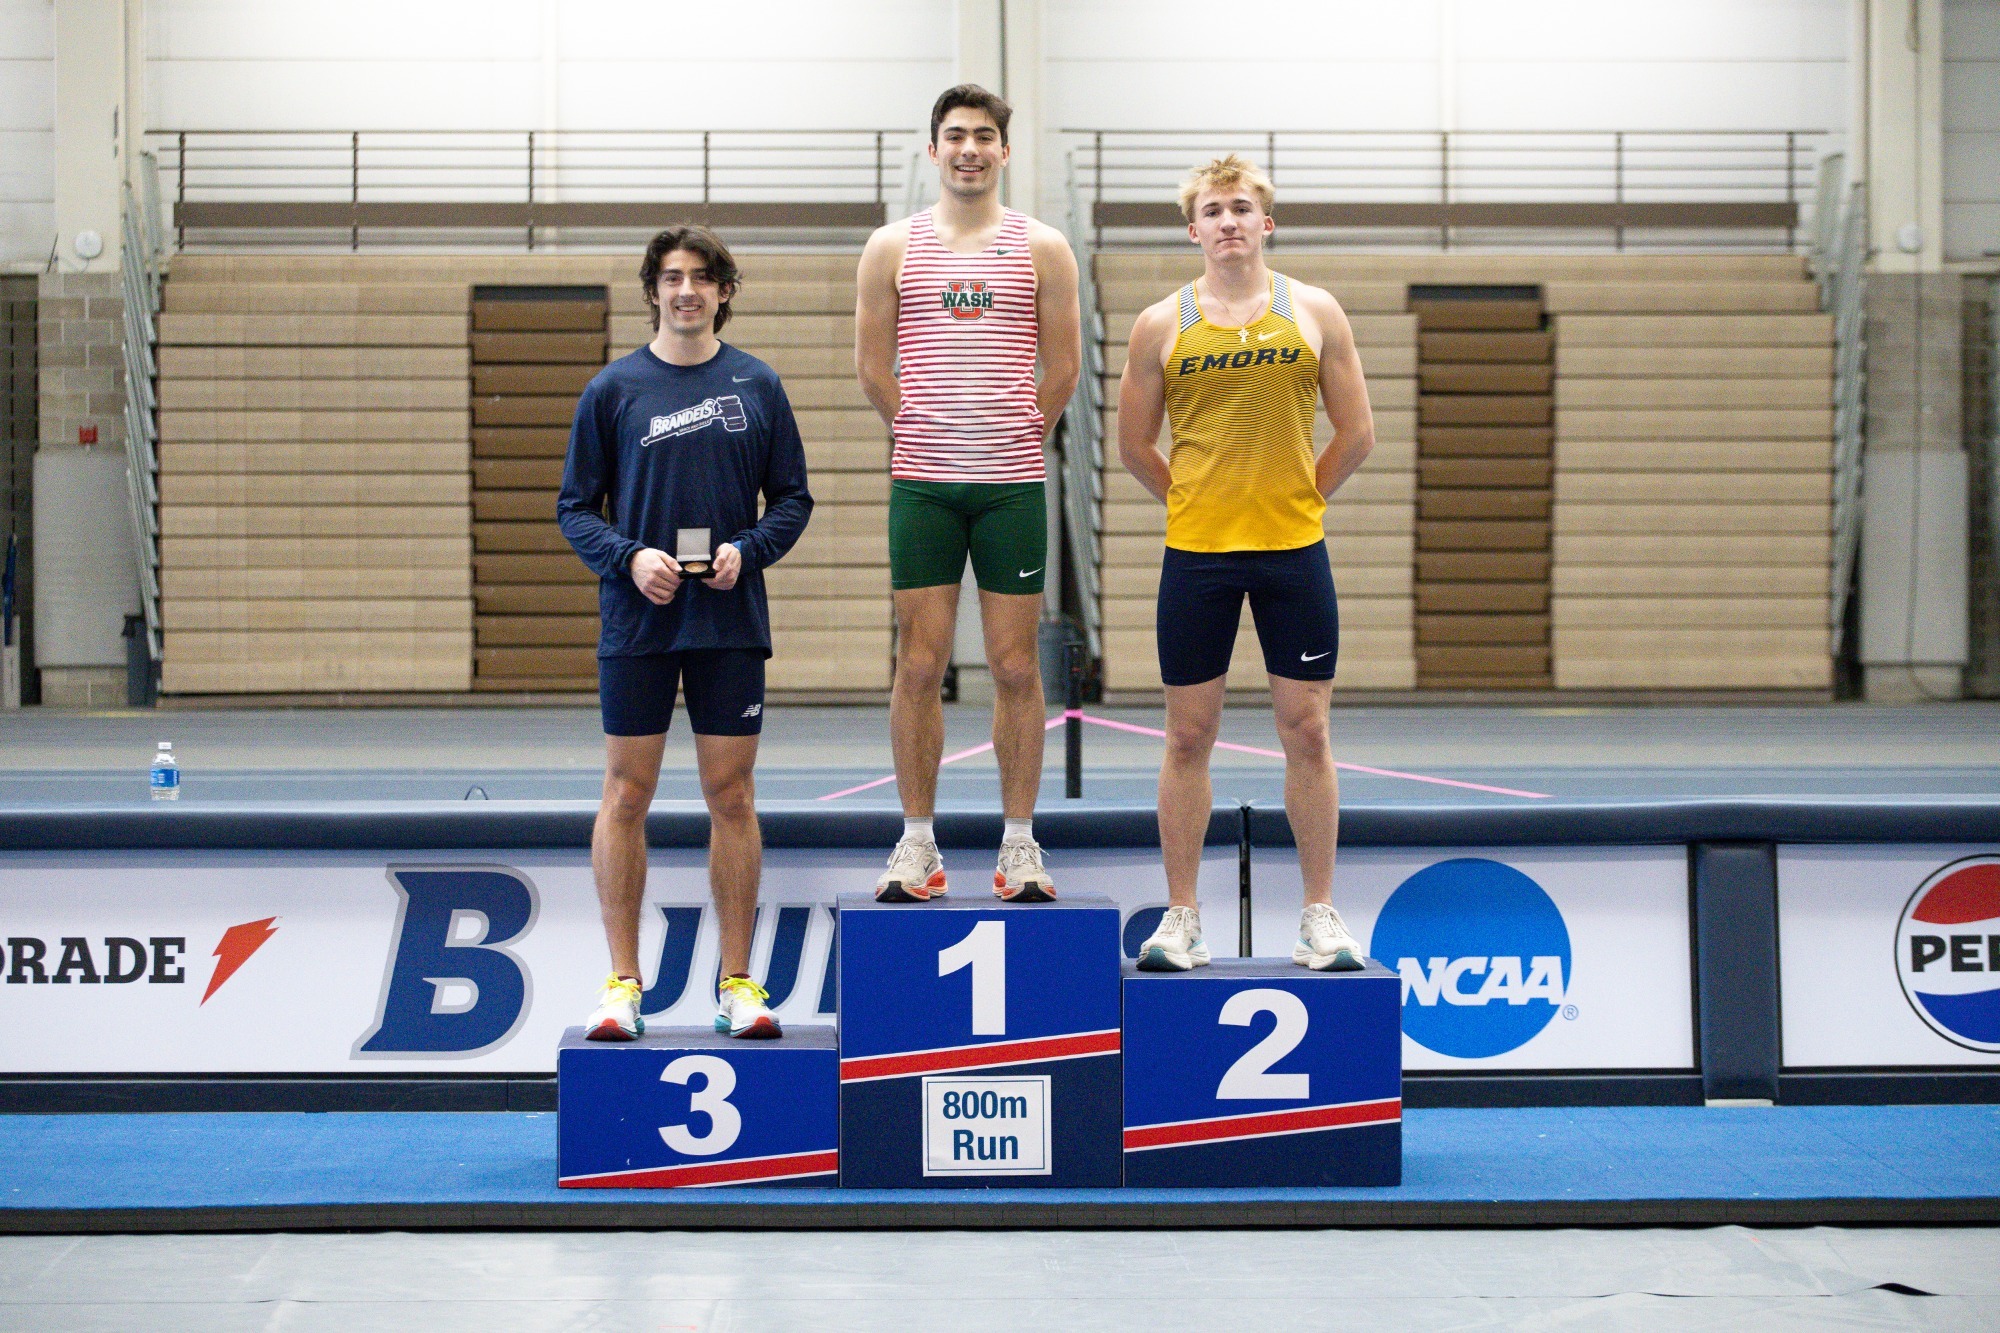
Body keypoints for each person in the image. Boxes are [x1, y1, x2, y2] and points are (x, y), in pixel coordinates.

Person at [1117, 155, 1376, 972]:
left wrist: (1300, 496)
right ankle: (1182, 916)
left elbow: (1357, 433)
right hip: (1197, 556)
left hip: (1294, 553)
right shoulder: (1161, 323)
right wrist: (1193, 500)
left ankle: (1319, 915)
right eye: (1211, 211)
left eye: (1240, 208)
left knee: (1307, 730)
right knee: (1188, 734)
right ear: (1192, 230)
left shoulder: (1316, 311)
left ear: (1267, 223)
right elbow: (1131, 444)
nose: (1227, 222)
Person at [560, 225, 813, 1039]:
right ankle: (622, 986)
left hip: (728, 622)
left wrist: (751, 548)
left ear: (724, 290)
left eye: (702, 277)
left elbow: (793, 500)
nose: (687, 290)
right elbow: (573, 509)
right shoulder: (612, 390)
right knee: (625, 794)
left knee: (730, 796)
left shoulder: (758, 384)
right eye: (672, 277)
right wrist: (628, 558)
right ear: (653, 290)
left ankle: (738, 983)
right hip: (637, 622)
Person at [853, 84, 1081, 903]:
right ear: (934, 150)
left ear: (1004, 152)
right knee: (919, 662)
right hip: (923, 486)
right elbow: (874, 368)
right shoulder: (890, 248)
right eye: (955, 135)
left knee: (1017, 666)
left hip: (1011, 488)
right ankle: (917, 842)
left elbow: (1063, 368)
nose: (970, 149)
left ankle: (1019, 844)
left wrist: (1019, 434)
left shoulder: (1045, 247)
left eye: (985, 136)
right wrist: (922, 432)